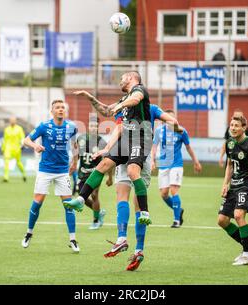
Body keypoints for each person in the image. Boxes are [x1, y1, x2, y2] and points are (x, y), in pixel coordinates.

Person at [67, 71, 174, 271]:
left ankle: (139, 249)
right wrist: (90, 97)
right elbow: (110, 114)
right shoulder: (124, 103)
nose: (120, 80)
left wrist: (176, 126)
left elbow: (140, 102)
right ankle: (121, 238)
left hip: (141, 146)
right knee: (119, 193)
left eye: (123, 77)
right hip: (124, 146)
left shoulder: (140, 95)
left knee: (136, 204)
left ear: (132, 79)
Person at [21, 100, 80, 253]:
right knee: (38, 202)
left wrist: (75, 161)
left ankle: (73, 239)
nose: (60, 110)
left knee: (68, 204)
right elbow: (26, 140)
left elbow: (75, 145)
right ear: (52, 111)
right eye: (57, 108)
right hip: (45, 170)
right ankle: (29, 233)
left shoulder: (71, 127)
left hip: (62, 171)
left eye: (62, 108)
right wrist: (35, 146)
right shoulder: (44, 126)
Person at [217, 115, 248, 266]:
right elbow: (230, 165)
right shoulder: (229, 143)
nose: (233, 128)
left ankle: (246, 256)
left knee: (238, 215)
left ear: (244, 128)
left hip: (247, 186)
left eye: (236, 125)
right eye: (231, 125)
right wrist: (225, 184)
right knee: (222, 220)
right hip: (234, 187)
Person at [151, 110, 202, 228]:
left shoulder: (181, 131)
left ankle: (176, 220)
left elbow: (188, 147)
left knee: (173, 191)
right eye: (167, 119)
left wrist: (196, 162)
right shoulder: (159, 131)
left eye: (172, 119)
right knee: (164, 194)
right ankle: (179, 210)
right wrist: (152, 161)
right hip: (163, 164)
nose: (170, 121)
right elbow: (154, 147)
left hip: (176, 165)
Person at [75, 117, 113, 230]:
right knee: (82, 197)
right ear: (88, 126)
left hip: (96, 173)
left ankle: (96, 221)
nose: (93, 128)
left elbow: (108, 161)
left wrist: (110, 177)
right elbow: (76, 152)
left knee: (94, 195)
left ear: (98, 127)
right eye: (91, 125)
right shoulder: (81, 138)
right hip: (82, 173)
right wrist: (73, 164)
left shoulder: (102, 142)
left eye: (95, 126)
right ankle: (99, 212)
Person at [1, 116, 27, 183]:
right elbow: (5, 140)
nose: (12, 121)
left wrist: (23, 145)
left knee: (18, 163)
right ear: (9, 121)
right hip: (8, 148)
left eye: (13, 120)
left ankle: (24, 174)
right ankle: (6, 177)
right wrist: (3, 149)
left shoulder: (19, 129)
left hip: (17, 148)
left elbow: (22, 138)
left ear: (15, 121)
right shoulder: (7, 129)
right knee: (6, 161)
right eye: (11, 120)